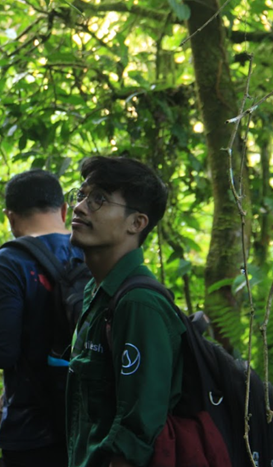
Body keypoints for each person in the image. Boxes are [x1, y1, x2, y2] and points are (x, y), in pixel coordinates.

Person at [65, 156, 184, 467]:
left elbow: (137, 435)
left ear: (137, 223)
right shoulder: (98, 292)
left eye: (99, 200)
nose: (80, 207)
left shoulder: (138, 305)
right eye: (82, 196)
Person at [0, 169, 81, 467]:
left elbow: (0, 352)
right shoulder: (91, 249)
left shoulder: (10, 261)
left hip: (32, 429)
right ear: (64, 210)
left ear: (10, 216)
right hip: (90, 424)